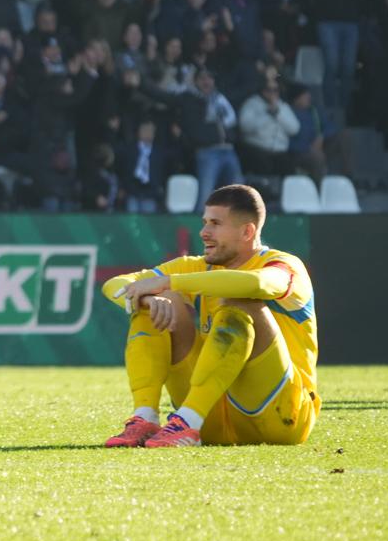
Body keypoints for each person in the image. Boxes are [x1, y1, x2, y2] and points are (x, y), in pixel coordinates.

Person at [99, 184, 319, 448]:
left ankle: (188, 421)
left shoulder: (283, 265)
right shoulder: (196, 266)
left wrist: (170, 282)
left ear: (247, 231)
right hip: (210, 421)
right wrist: (147, 296)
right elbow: (114, 285)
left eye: (215, 223)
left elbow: (258, 285)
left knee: (242, 301)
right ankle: (145, 418)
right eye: (204, 222)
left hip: (280, 418)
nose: (204, 232)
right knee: (152, 303)